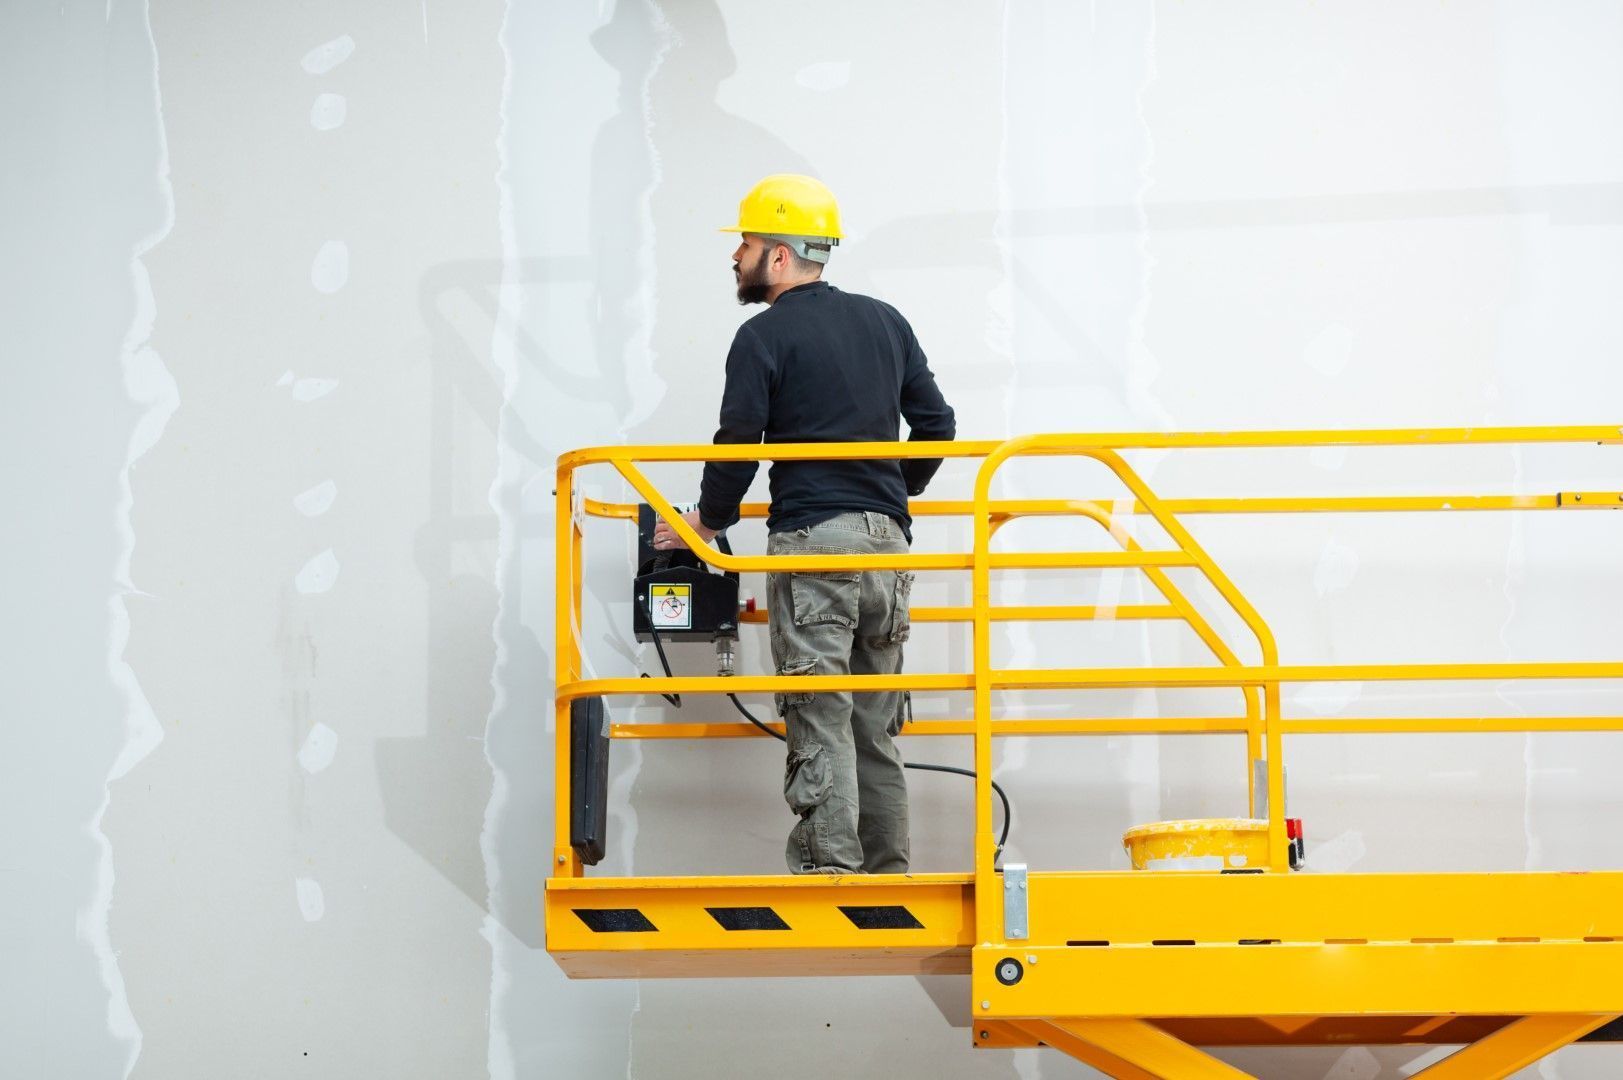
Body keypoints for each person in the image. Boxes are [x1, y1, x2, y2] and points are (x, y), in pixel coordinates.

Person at [651, 174, 956, 875]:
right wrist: (890, 495)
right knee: (873, 725)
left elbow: (737, 442)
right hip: (886, 550)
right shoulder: (886, 321)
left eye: (746, 244)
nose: (736, 257)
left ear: (780, 255)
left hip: (816, 544)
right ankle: (887, 875)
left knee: (820, 713)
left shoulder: (763, 335)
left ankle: (832, 877)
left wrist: (706, 523)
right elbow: (937, 424)